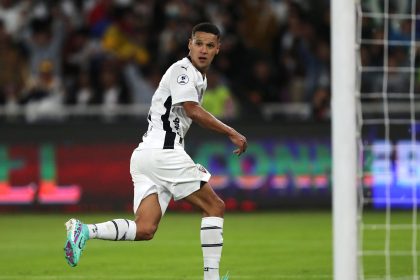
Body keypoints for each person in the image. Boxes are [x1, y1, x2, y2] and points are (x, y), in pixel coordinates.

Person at [63, 22, 247, 280]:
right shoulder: (182, 70)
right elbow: (191, 109)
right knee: (214, 207)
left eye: (209, 45)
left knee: (145, 228)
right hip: (163, 151)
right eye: (198, 43)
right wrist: (232, 132)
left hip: (145, 155)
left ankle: (84, 231)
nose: (203, 50)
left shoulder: (199, 77)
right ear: (189, 45)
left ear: (218, 49)